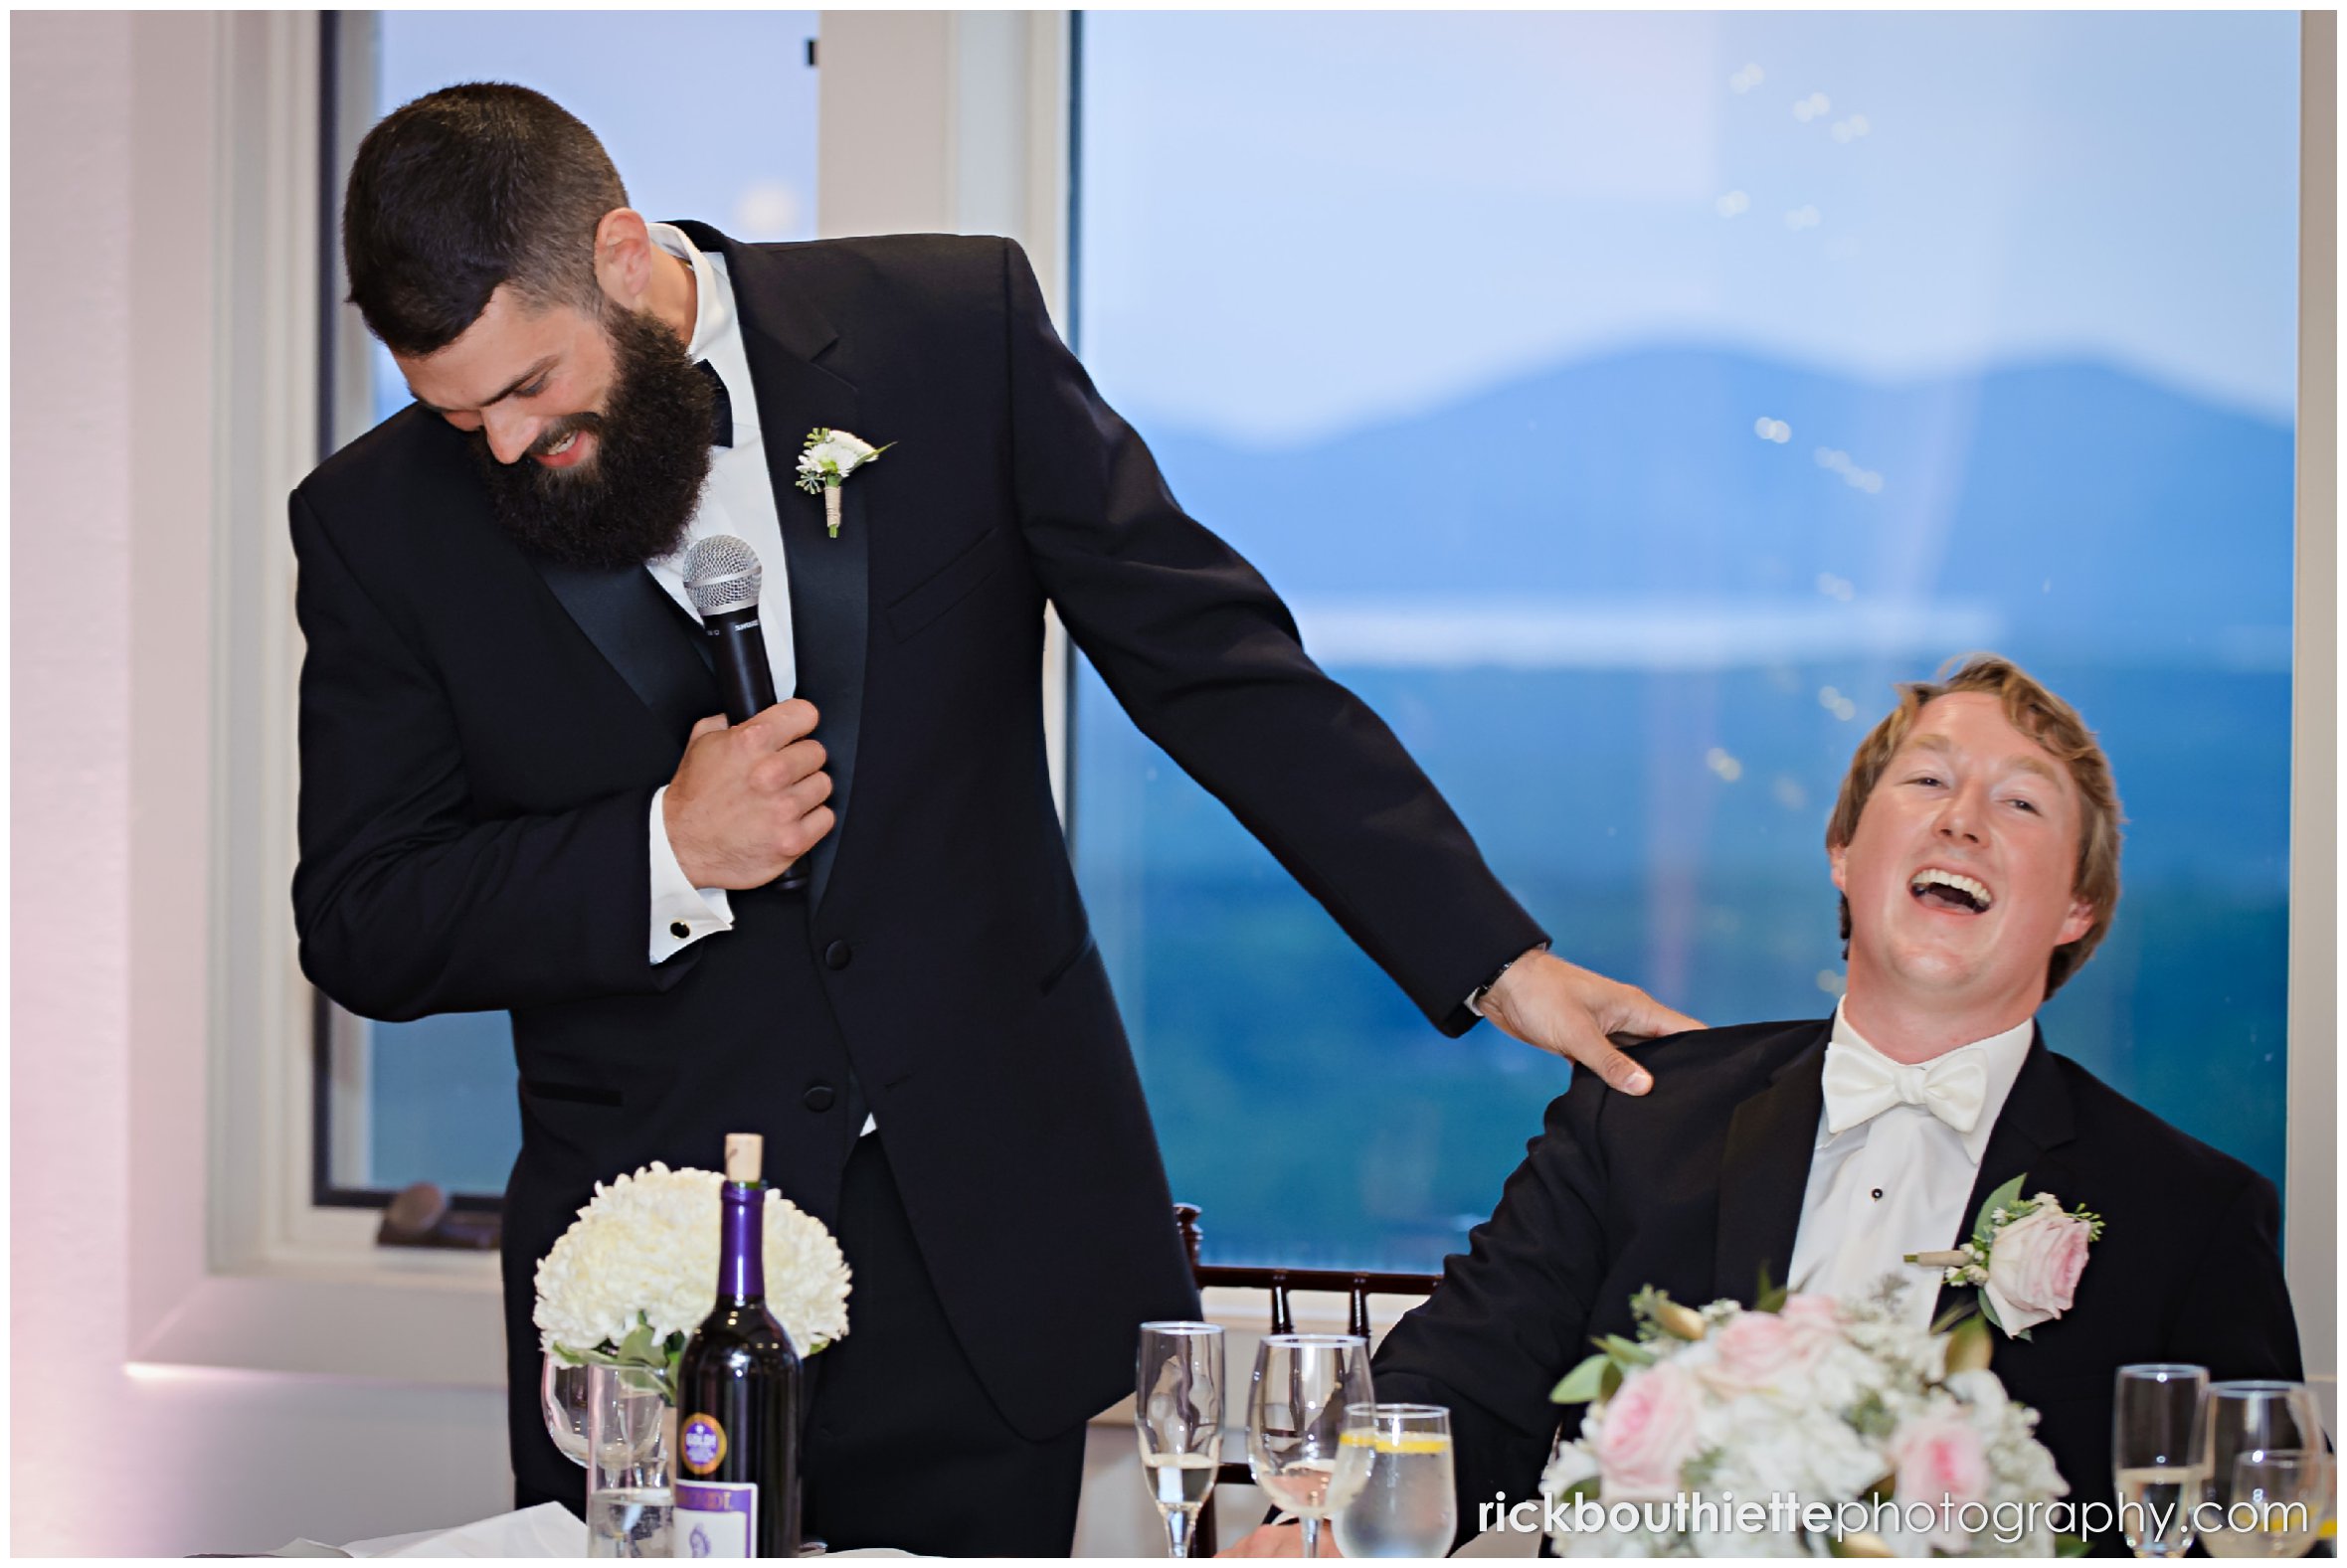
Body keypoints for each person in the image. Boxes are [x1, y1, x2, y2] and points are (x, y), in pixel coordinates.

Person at [292, 84, 1700, 1555]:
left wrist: (1498, 960)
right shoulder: (373, 525)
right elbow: (364, 918)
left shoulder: (949, 329)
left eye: (531, 389)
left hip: (986, 1247)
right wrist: (661, 850)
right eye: (456, 416)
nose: (505, 449)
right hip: (653, 1294)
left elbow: (1217, 671)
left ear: (627, 255)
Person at [1227, 655, 2303, 1557]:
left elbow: (2250, 1524)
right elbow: (1465, 1381)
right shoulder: (1640, 1110)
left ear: (2076, 905)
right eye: (1925, 782)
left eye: (2018, 801)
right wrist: (1322, 1515)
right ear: (1843, 852)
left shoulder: (2190, 1213)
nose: (1963, 819)